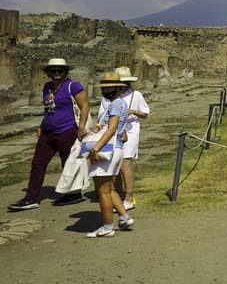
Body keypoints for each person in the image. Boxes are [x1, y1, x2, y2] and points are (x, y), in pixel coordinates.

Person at [8, 58, 90, 211]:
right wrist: (41, 125)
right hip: (48, 132)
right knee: (38, 163)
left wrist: (81, 127)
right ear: (48, 73)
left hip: (67, 131)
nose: (57, 73)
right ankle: (30, 197)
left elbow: (84, 106)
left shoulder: (73, 86)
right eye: (53, 71)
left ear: (66, 72)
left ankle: (74, 193)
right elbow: (49, 109)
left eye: (60, 70)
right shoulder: (47, 87)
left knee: (69, 163)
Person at [84, 72, 135, 238]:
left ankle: (107, 227)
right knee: (108, 187)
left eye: (109, 87)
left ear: (118, 88)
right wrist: (99, 128)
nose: (106, 91)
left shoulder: (115, 104)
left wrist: (96, 148)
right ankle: (124, 216)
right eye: (104, 88)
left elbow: (113, 128)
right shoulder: (119, 103)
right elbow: (117, 129)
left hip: (108, 149)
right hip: (116, 148)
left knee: (102, 191)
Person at [104, 66, 150, 210]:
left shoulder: (136, 95)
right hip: (112, 132)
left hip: (129, 132)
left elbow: (145, 114)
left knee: (124, 165)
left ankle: (129, 197)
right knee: (114, 165)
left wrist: (132, 111)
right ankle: (117, 196)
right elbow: (103, 116)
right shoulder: (108, 96)